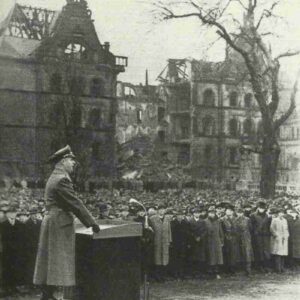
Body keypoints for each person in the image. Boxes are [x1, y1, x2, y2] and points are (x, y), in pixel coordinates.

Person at [33, 145, 100, 300]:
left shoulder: (54, 176)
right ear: (63, 161)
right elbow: (75, 203)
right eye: (71, 160)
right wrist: (92, 223)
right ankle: (48, 295)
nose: (73, 163)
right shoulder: (62, 179)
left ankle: (47, 295)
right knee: (58, 261)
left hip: (53, 221)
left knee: (50, 261)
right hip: (59, 223)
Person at [149, 204, 172, 282]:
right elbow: (150, 230)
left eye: (163, 209)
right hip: (157, 241)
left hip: (165, 242)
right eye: (160, 209)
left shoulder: (167, 219)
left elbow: (169, 230)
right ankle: (157, 276)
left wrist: (169, 240)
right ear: (157, 210)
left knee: (165, 259)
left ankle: (163, 276)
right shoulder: (152, 219)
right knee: (157, 259)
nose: (162, 211)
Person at [250, 201, 271, 272]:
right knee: (258, 251)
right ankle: (259, 266)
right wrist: (255, 232)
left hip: (265, 236)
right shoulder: (253, 215)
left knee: (266, 251)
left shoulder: (267, 216)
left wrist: (267, 233)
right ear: (258, 208)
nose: (262, 209)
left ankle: (265, 266)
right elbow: (251, 226)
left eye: (263, 208)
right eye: (260, 208)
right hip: (257, 236)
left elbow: (269, 226)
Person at [204, 206, 224, 279]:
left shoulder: (218, 221)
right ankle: (210, 272)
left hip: (217, 241)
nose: (212, 214)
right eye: (210, 213)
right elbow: (204, 232)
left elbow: (221, 232)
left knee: (218, 257)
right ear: (208, 213)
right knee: (210, 257)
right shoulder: (205, 221)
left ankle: (217, 272)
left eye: (213, 213)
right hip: (209, 241)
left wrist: (222, 241)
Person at [189, 207, 207, 278]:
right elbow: (189, 231)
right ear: (193, 214)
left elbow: (205, 231)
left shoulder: (203, 221)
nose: (197, 214)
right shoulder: (190, 221)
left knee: (201, 257)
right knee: (193, 257)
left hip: (201, 242)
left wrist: (200, 237)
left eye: (198, 213)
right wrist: (194, 237)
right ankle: (194, 272)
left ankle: (200, 272)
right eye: (195, 213)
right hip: (193, 242)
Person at [270, 207, 289, 273]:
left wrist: (286, 235)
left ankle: (282, 268)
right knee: (278, 254)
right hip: (277, 239)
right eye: (280, 213)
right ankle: (278, 269)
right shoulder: (275, 220)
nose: (281, 214)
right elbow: (272, 229)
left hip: (284, 238)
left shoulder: (285, 220)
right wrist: (276, 235)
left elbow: (286, 229)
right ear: (278, 214)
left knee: (283, 254)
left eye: (282, 213)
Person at [221, 205, 239, 275]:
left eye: (230, 211)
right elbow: (221, 230)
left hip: (234, 239)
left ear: (232, 212)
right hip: (226, 238)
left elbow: (237, 229)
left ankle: (232, 269)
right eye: (227, 210)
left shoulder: (235, 219)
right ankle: (226, 270)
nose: (229, 212)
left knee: (233, 254)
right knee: (226, 254)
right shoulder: (222, 219)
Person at [235, 207, 254, 275]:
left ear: (243, 213)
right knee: (239, 253)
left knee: (247, 253)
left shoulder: (247, 219)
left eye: (241, 212)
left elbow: (251, 228)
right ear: (236, 213)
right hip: (237, 238)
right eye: (238, 213)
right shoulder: (235, 220)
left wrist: (247, 235)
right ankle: (240, 269)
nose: (239, 214)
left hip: (246, 237)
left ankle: (248, 269)